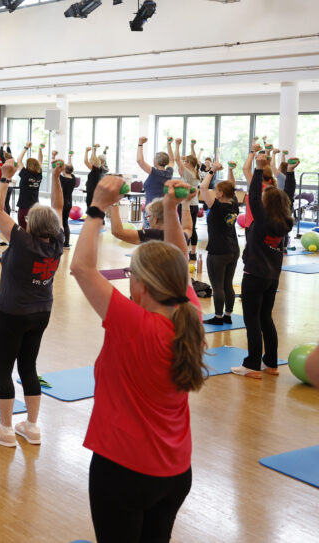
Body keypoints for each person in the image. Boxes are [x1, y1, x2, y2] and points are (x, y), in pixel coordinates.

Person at [70, 174, 204, 543]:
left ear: (141, 285)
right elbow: (179, 258)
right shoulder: (189, 313)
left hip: (125, 471)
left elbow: (81, 268)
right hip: (176, 473)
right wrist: (172, 209)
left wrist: (97, 205)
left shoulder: (133, 323)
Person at [0, 158, 64, 448]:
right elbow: (60, 208)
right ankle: (33, 427)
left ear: (29, 224)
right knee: (28, 366)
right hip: (42, 312)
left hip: (13, 313)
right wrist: (57, 177)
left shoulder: (23, 241)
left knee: (3, 370)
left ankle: (5, 429)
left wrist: (4, 178)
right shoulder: (58, 242)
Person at [232, 154, 294, 379]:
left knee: (252, 320)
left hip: (255, 275)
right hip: (271, 277)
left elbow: (255, 195)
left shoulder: (263, 218)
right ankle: (271, 363)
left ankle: (252, 365)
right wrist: (291, 173)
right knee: (266, 318)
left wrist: (259, 169)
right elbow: (289, 196)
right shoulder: (285, 221)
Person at [199, 162, 240, 326]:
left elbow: (202, 188)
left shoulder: (217, 207)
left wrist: (212, 171)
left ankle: (218, 317)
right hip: (233, 250)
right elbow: (233, 186)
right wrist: (230, 170)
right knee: (227, 284)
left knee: (218, 286)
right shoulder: (234, 204)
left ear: (221, 194)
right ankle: (228, 315)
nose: (214, 194)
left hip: (218, 251)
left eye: (216, 191)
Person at [137, 136, 174, 228]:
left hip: (152, 211)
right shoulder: (169, 172)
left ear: (156, 161)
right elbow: (172, 160)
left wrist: (140, 143)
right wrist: (169, 144)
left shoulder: (154, 172)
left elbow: (140, 161)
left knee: (150, 236)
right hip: (164, 210)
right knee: (161, 235)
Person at [173, 142, 201, 260]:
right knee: (192, 228)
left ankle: (184, 251)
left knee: (185, 229)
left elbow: (176, 159)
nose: (183, 163)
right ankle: (192, 252)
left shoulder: (188, 173)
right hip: (194, 205)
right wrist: (191, 150)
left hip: (186, 205)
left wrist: (177, 145)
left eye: (185, 162)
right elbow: (194, 159)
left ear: (188, 163)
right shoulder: (195, 173)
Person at [15, 142, 44, 229]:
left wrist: (26, 147)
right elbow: (40, 161)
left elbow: (19, 160)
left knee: (24, 229)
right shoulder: (39, 174)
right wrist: (40, 150)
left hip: (24, 207)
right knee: (33, 229)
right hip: (35, 207)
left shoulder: (25, 174)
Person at [59, 153, 76, 248]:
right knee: (65, 222)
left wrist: (53, 158)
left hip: (62, 203)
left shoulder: (62, 179)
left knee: (60, 223)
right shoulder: (73, 178)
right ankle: (66, 243)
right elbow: (70, 169)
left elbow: (56, 171)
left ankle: (59, 241)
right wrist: (69, 158)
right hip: (69, 203)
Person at [83, 145, 107, 210]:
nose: (90, 163)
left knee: (91, 210)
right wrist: (94, 149)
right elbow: (94, 159)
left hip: (93, 194)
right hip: (94, 193)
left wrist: (86, 151)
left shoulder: (96, 170)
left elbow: (85, 161)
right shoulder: (99, 169)